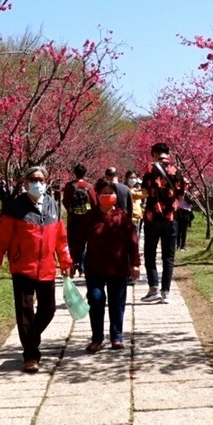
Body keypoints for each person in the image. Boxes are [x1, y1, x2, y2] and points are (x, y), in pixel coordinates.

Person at [0, 165, 73, 372]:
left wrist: (65, 261)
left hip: (46, 268)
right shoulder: (14, 207)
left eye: (41, 179)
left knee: (48, 310)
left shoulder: (53, 206)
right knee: (25, 311)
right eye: (34, 179)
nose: (38, 183)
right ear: (25, 183)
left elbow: (61, 239)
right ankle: (31, 355)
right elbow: (2, 238)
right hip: (22, 267)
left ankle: (30, 338)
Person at [83, 173, 140, 352]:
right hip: (94, 267)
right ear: (98, 196)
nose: (108, 196)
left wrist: (135, 263)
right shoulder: (90, 216)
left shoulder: (122, 216)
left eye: (111, 192)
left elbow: (132, 242)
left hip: (118, 268)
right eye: (104, 193)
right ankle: (97, 338)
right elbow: (78, 240)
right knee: (96, 301)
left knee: (117, 304)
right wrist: (72, 260)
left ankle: (117, 336)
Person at [140, 143, 185, 303]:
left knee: (150, 254)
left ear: (154, 154)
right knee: (168, 257)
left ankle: (154, 289)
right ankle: (166, 292)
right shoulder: (177, 170)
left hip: (152, 217)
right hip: (171, 218)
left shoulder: (150, 168)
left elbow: (144, 192)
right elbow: (180, 197)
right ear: (168, 153)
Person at [61, 164, 97, 276]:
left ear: (74, 172)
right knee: (84, 243)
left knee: (72, 243)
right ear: (85, 173)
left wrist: (71, 210)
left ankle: (72, 267)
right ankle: (82, 268)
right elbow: (94, 203)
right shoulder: (89, 186)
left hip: (73, 219)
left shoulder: (69, 186)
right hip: (86, 220)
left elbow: (64, 201)